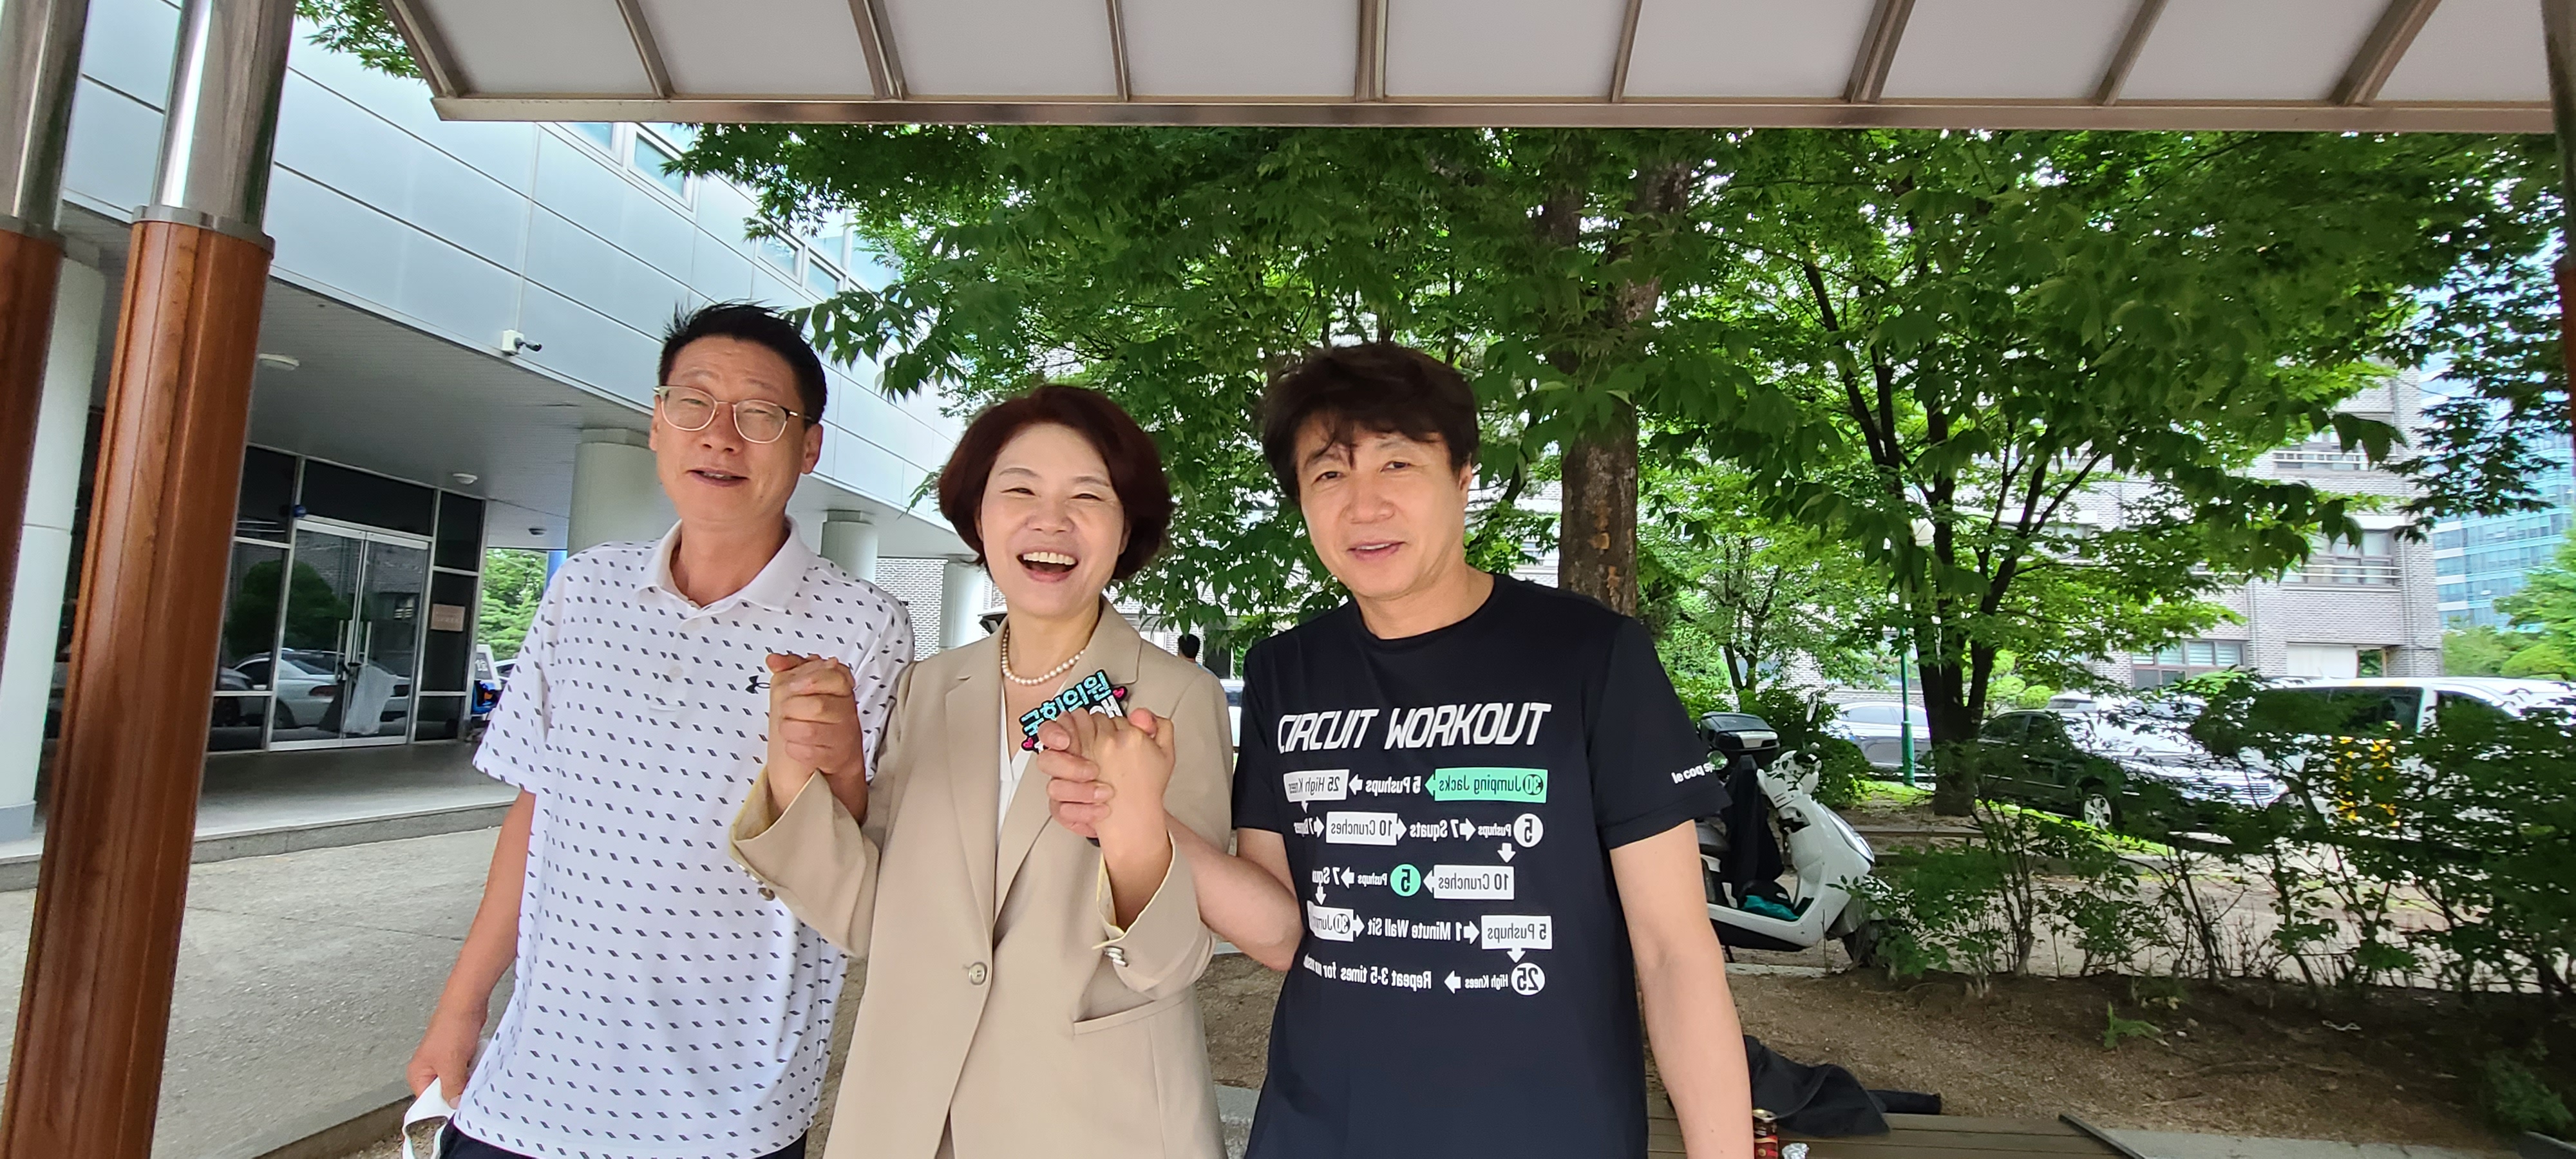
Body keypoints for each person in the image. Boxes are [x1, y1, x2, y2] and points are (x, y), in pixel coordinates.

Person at [1047, 344, 1755, 1158]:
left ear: (1462, 477)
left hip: (1543, 1131)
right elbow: (1278, 933)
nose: (1364, 506)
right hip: (1322, 1130)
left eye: (1397, 463)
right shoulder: (1288, 669)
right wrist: (1135, 812)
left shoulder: (1590, 656)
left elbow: (1673, 954)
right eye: (1329, 474)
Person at [408, 303, 913, 1159]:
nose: (720, 436)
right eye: (694, 403)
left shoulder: (863, 624)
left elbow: (853, 864)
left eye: (760, 414)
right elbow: (537, 812)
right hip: (532, 1082)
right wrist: (459, 1010)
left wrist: (830, 763)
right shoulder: (583, 593)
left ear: (809, 448)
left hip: (728, 1107)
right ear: (656, 423)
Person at [732, 385, 1233, 1159]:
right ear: (978, 517)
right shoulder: (930, 688)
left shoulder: (1174, 697)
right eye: (1019, 491)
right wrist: (796, 774)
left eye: (1087, 496)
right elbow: (871, 919)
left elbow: (1170, 961)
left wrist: (1132, 830)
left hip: (1096, 1123)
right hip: (909, 1115)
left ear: (1125, 527)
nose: (1050, 521)